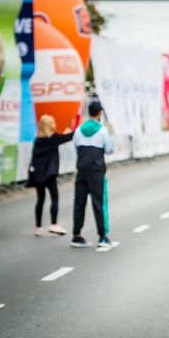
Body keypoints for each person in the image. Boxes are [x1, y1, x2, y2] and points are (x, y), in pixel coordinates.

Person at [70, 100, 115, 248]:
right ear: (100, 113)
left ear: (89, 112)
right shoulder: (102, 130)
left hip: (82, 170)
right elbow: (109, 149)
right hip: (96, 172)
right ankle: (102, 237)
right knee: (99, 203)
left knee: (79, 203)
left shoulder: (79, 129)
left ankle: (76, 235)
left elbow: (76, 146)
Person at [29, 114, 73, 237]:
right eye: (52, 123)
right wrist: (71, 128)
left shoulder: (37, 140)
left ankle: (38, 227)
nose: (55, 125)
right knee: (54, 198)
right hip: (49, 174)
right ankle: (54, 224)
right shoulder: (53, 139)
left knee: (40, 200)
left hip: (38, 175)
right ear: (49, 125)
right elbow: (70, 136)